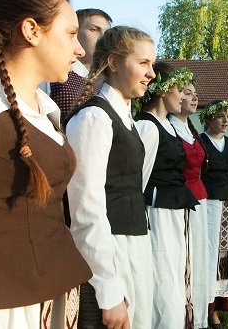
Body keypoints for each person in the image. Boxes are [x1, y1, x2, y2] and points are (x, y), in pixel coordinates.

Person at [0, 0, 91, 328]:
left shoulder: (43, 108)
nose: (80, 49)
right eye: (71, 34)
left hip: (48, 290)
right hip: (0, 305)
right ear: (31, 30)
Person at [66, 26, 156, 329]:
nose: (152, 73)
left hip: (132, 241)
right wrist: (108, 290)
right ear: (114, 63)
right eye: (143, 63)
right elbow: (86, 208)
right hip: (109, 250)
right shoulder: (94, 118)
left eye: (152, 64)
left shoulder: (126, 120)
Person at [134, 61, 199, 329]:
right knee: (162, 277)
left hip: (174, 211)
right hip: (157, 213)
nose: (184, 97)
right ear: (163, 90)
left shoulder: (168, 125)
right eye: (180, 90)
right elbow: (139, 179)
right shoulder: (148, 126)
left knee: (175, 275)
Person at [168, 76, 211, 329]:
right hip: (180, 199)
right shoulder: (169, 127)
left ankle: (198, 314)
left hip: (200, 197)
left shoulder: (191, 129)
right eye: (187, 92)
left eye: (195, 93)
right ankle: (182, 314)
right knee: (184, 257)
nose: (194, 97)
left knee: (198, 256)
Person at [199, 100, 228, 328]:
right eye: (220, 116)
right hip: (208, 204)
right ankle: (206, 307)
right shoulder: (200, 142)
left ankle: (221, 301)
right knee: (209, 254)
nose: (226, 121)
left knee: (226, 254)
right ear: (207, 119)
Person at [48, 8, 112, 123]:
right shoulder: (53, 74)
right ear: (75, 32)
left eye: (107, 33)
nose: (102, 38)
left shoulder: (107, 83)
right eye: (94, 29)